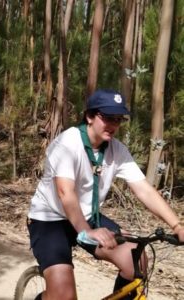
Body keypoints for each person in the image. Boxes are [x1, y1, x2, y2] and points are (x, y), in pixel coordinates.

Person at [27, 89, 184, 300]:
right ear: (90, 116)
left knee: (137, 261)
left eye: (118, 119)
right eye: (108, 117)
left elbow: (143, 189)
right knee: (63, 295)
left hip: (88, 216)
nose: (113, 125)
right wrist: (85, 231)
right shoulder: (67, 143)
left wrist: (177, 226)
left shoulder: (116, 150)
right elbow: (66, 192)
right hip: (50, 219)